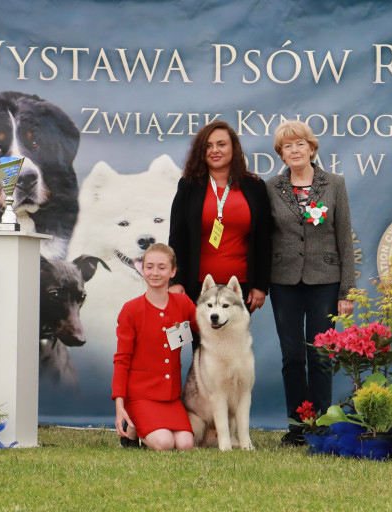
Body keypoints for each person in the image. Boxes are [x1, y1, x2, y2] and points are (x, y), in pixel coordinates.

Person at [266, 120, 356, 447]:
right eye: (286, 146)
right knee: (292, 356)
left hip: (325, 279)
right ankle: (297, 427)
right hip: (284, 281)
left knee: (321, 354)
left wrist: (346, 292)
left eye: (299, 144)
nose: (294, 150)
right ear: (281, 153)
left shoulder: (334, 184)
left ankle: (321, 425)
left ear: (312, 148)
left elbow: (344, 237)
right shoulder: (271, 187)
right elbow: (265, 237)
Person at [168, 120, 272, 308]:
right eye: (208, 146)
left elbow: (264, 241)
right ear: (201, 152)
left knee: (234, 338)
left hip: (239, 289)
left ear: (234, 148)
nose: (215, 150)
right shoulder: (189, 186)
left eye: (221, 144)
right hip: (197, 288)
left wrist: (260, 285)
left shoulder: (255, 187)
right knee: (201, 339)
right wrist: (176, 282)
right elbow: (177, 238)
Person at [112, 243, 197, 451]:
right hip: (140, 395)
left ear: (173, 272)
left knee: (185, 445)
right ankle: (133, 429)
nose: (155, 273)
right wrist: (119, 405)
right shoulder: (131, 310)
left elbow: (205, 328)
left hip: (170, 397)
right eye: (149, 267)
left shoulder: (184, 303)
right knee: (165, 443)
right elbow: (122, 359)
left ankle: (136, 430)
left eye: (162, 267)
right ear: (142, 269)